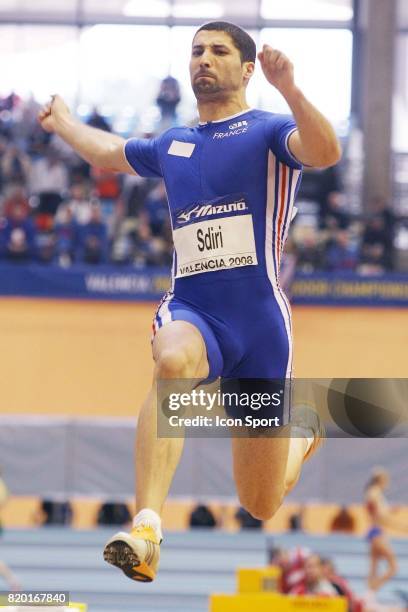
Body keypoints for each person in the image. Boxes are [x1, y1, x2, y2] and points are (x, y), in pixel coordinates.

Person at [38, 21, 341, 583]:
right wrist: (63, 122)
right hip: (195, 311)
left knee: (260, 503)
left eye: (219, 50)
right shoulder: (175, 144)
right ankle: (147, 527)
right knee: (172, 359)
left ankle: (298, 439)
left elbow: (325, 151)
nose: (204, 58)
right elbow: (109, 153)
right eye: (196, 50)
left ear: (247, 69)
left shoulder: (271, 131)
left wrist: (292, 90)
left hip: (261, 327)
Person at [365, 468, 405, 592]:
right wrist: (401, 527)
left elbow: (377, 513)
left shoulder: (373, 493)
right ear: (381, 480)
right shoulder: (374, 493)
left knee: (374, 568)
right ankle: (373, 588)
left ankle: (370, 594)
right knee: (393, 567)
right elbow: (380, 516)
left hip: (374, 531)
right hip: (377, 532)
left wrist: (390, 510)